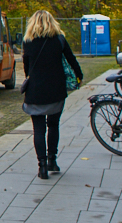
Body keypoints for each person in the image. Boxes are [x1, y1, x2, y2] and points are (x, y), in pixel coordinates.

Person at [21, 9, 83, 180]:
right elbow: (71, 59)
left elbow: (27, 67)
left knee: (38, 129)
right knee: (53, 125)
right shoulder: (59, 40)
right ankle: (52, 160)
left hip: (35, 90)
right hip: (56, 89)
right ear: (52, 22)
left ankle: (41, 167)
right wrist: (79, 76)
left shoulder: (28, 41)